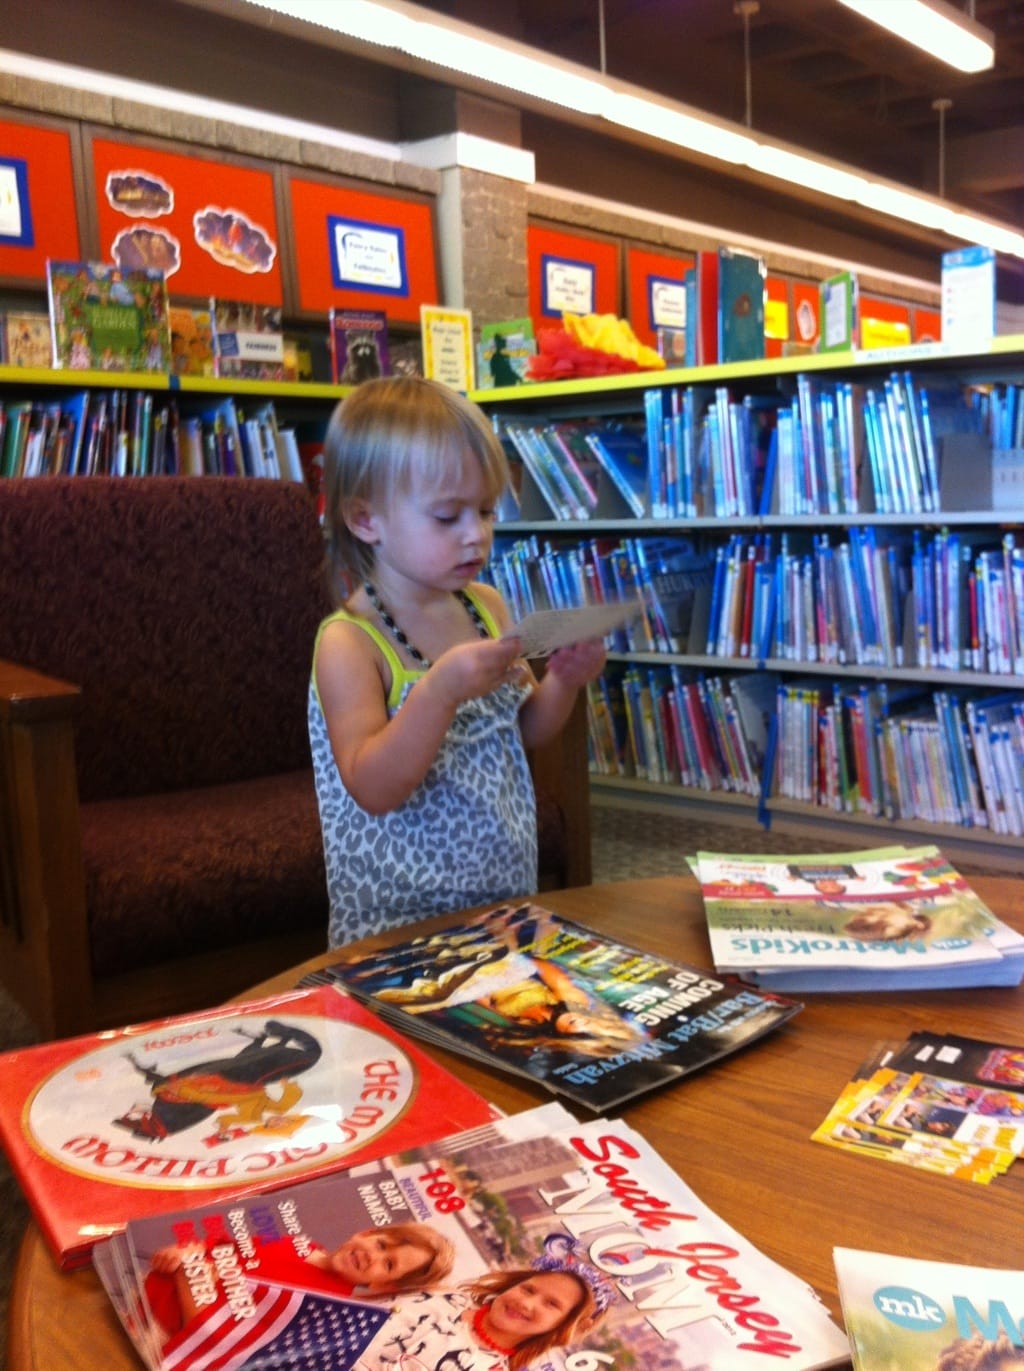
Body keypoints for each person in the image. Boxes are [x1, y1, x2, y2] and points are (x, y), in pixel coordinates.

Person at [309, 376, 606, 947]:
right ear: (366, 519)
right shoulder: (349, 642)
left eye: (486, 511)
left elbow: (522, 730)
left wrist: (564, 682)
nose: (477, 535)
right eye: (448, 517)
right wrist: (439, 692)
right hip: (398, 922)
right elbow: (373, 787)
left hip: (500, 898)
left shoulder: (484, 607)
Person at [144, 1219, 455, 1345]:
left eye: (388, 1264)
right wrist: (188, 1250)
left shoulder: (320, 1306)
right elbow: (218, 1247)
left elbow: (220, 1339)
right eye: (381, 1244)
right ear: (366, 1232)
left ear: (385, 1286)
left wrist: (191, 1274)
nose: (372, 1255)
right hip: (139, 1290)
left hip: (155, 1337)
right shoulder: (300, 1243)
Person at [355, 1251, 611, 1371]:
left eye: (551, 1304)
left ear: (564, 1325)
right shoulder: (443, 1296)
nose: (527, 1303)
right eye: (528, 1289)